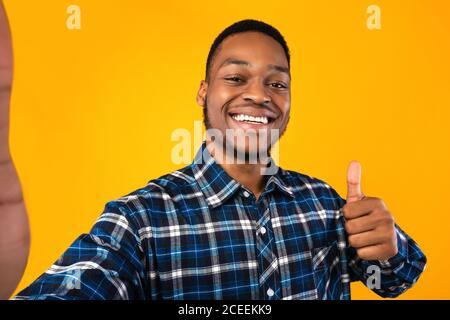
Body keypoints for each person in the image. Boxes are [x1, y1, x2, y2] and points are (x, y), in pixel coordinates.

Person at [0, 2, 426, 300]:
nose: (259, 95)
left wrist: (391, 248)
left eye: (277, 83)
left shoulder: (324, 203)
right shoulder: (140, 220)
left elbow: (394, 282)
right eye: (236, 78)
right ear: (204, 93)